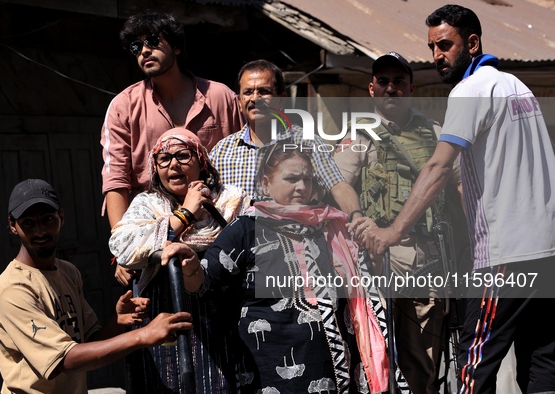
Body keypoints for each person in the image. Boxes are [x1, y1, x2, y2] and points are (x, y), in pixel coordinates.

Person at [364, 5, 555, 393]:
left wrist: (392, 232)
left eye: (445, 45)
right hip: (546, 251)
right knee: (542, 360)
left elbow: (437, 167)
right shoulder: (518, 88)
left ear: (472, 42)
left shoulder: (470, 91)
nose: (437, 56)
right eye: (432, 47)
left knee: (473, 363)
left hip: (505, 254)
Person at [162, 142, 404, 393]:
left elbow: (364, 289)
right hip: (268, 374)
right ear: (266, 184)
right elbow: (204, 286)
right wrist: (190, 267)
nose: (301, 187)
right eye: (291, 179)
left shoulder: (332, 227)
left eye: (307, 180)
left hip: (332, 371)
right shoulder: (246, 229)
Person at [334, 51, 469, 394]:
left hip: (429, 263)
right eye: (383, 82)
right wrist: (358, 217)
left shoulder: (436, 133)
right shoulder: (359, 134)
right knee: (377, 361)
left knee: (423, 366)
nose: (390, 88)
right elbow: (338, 181)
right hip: (378, 263)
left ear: (411, 87)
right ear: (371, 89)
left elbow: (460, 186)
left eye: (398, 81)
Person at [0, 179, 192, 394]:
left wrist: (117, 321)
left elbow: (90, 342)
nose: (40, 231)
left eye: (48, 219)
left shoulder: (67, 272)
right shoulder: (12, 289)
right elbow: (65, 360)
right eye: (28, 223)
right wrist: (142, 335)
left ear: (62, 218)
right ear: (13, 225)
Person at [100, 10, 243, 285]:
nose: (144, 51)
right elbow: (115, 180)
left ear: (177, 47)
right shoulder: (123, 106)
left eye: (152, 41)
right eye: (136, 46)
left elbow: (241, 156)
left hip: (219, 230)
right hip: (153, 237)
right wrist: (122, 252)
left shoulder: (221, 97)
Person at [109, 127, 251, 393]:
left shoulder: (232, 201)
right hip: (164, 322)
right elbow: (122, 245)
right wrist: (185, 214)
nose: (173, 164)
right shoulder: (146, 204)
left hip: (224, 322)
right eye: (164, 159)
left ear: (201, 161)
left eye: (183, 156)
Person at [209, 60, 367, 231]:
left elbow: (337, 185)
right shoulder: (222, 151)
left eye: (264, 91)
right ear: (239, 102)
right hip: (238, 251)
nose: (255, 98)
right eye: (248, 92)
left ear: (281, 100)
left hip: (294, 247)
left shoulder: (306, 143)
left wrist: (357, 217)